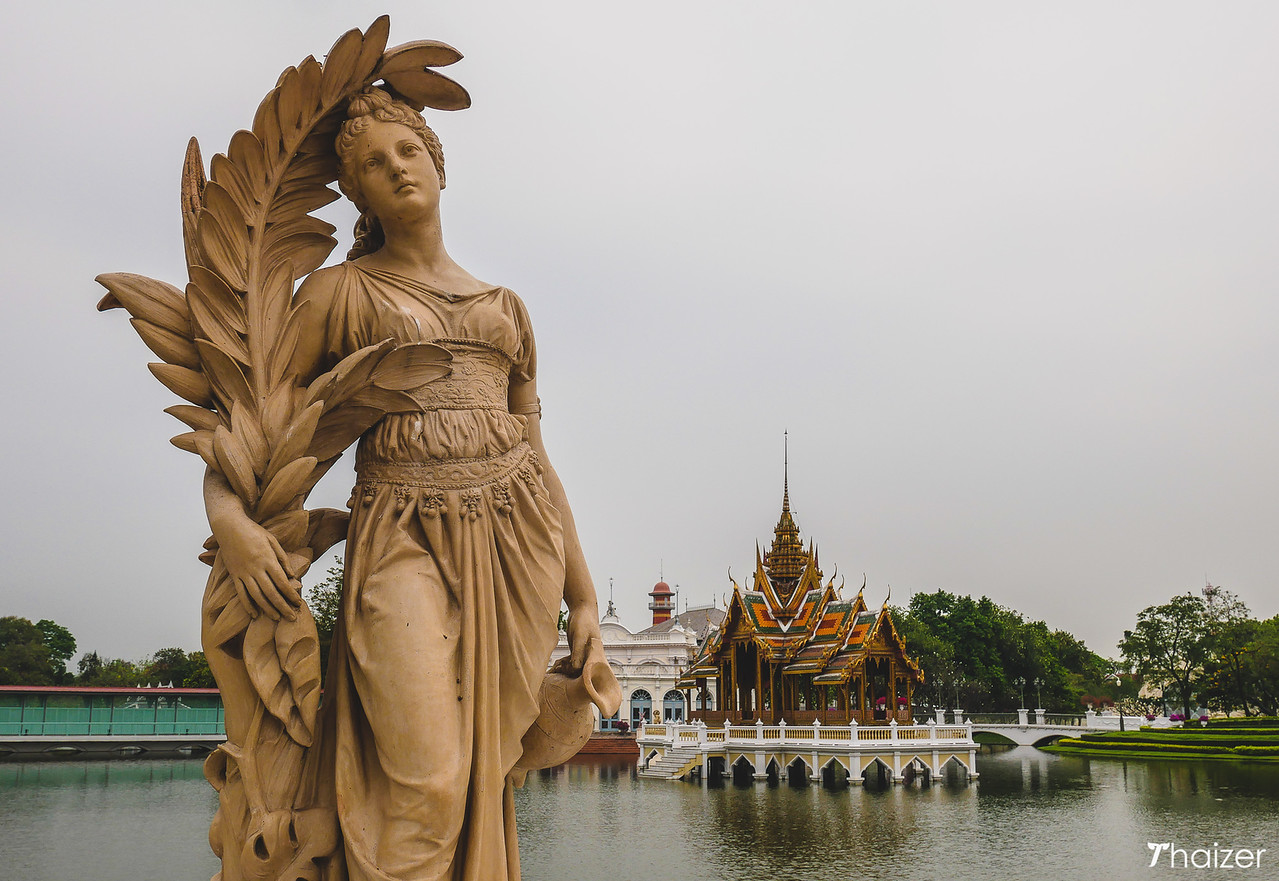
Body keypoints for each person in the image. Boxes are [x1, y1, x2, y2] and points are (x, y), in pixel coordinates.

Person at [203, 86, 606, 881]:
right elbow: (250, 443)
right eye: (372, 165)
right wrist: (235, 524)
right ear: (354, 191)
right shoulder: (336, 295)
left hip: (514, 545)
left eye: (408, 151)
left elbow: (536, 455)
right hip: (401, 537)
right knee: (426, 778)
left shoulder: (506, 309)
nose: (396, 169)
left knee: (476, 780)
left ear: (438, 164)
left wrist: (583, 598)